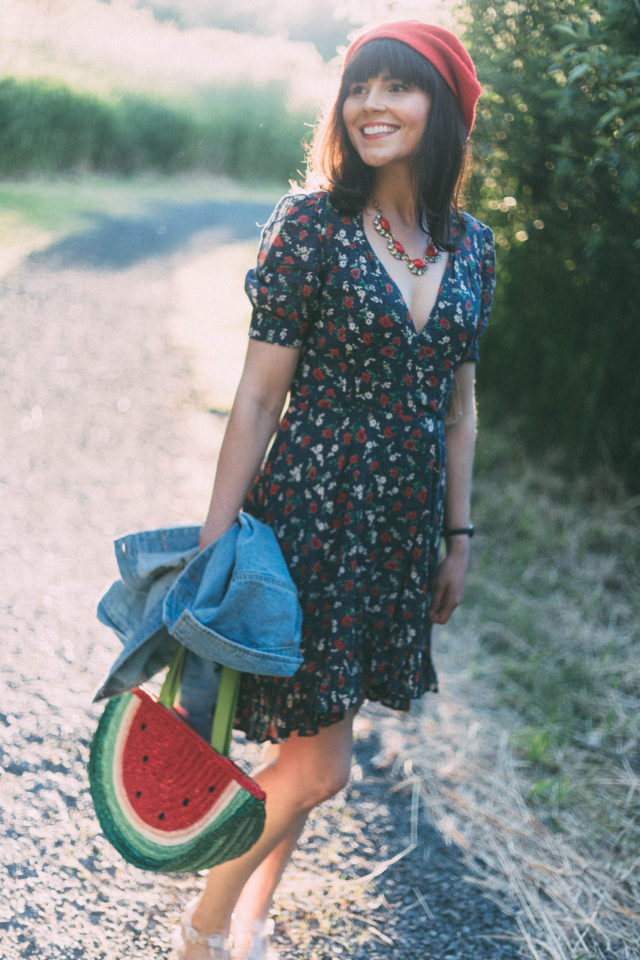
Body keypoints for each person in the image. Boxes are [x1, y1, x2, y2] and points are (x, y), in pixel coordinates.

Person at [172, 19, 495, 960]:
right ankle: (198, 932)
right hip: (307, 523)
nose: (372, 107)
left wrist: (458, 535)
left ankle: (252, 920)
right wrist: (215, 543)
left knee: (314, 746)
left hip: (395, 538)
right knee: (321, 767)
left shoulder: (470, 248)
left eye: (399, 88)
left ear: (445, 112)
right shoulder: (311, 227)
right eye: (358, 87)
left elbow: (460, 409)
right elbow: (259, 395)